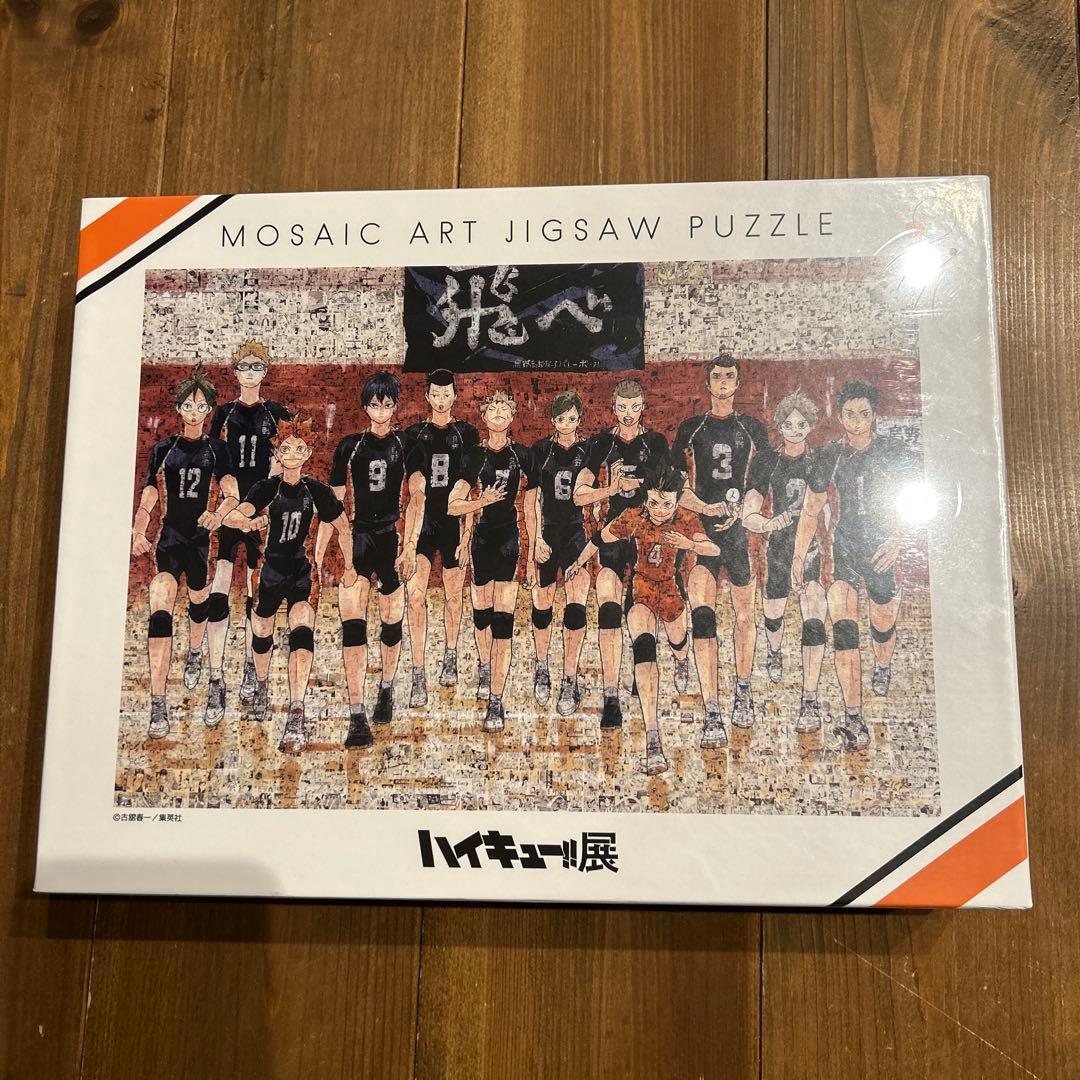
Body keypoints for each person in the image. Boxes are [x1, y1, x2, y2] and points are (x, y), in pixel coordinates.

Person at [792, 379, 918, 750]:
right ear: (840, 416)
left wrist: (898, 539)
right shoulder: (829, 455)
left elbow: (913, 503)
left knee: (882, 624)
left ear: (874, 415)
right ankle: (853, 717)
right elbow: (811, 510)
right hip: (844, 549)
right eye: (849, 414)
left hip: (881, 550)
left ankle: (883, 664)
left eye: (863, 413)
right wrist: (798, 554)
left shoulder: (894, 451)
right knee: (844, 626)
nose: (856, 420)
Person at [568, 462, 714, 775]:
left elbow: (712, 549)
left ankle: (682, 660)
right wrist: (577, 563)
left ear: (676, 501)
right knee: (644, 650)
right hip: (642, 592)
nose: (659, 510)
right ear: (646, 498)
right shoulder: (633, 516)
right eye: (654, 503)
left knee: (678, 642)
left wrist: (690, 544)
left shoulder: (686, 518)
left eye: (666, 504)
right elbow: (599, 538)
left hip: (671, 593)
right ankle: (653, 738)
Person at [223, 418, 354, 752]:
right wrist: (251, 521)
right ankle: (261, 683)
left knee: (301, 628)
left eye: (299, 448)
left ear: (308, 453)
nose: (292, 454)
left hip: (301, 572)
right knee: (262, 632)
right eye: (285, 448)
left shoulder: (317, 490)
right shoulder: (267, 488)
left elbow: (344, 527)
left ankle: (297, 711)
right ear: (277, 453)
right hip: (269, 570)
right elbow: (233, 516)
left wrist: (350, 565)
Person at [130, 366, 239, 739]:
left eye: (201, 405)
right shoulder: (164, 449)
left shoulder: (217, 450)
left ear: (209, 409)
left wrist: (218, 514)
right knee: (160, 601)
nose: (194, 411)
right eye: (188, 405)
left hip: (200, 542)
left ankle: (195, 651)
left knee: (198, 603)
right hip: (170, 539)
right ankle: (158, 700)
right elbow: (149, 496)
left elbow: (231, 493)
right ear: (179, 408)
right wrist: (138, 530)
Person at [672, 353, 769, 749]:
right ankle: (712, 709)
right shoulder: (691, 428)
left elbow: (760, 483)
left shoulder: (752, 428)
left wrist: (742, 511)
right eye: (717, 377)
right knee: (703, 617)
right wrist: (709, 509)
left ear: (738, 383)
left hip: (738, 534)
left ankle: (743, 689)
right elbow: (676, 488)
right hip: (702, 530)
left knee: (745, 615)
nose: (724, 382)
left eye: (730, 376)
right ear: (708, 383)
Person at [329, 371, 425, 748]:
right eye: (374, 404)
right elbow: (334, 506)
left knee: (390, 620)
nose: (381, 411)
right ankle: (356, 713)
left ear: (395, 406)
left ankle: (386, 687)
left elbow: (417, 497)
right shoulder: (350, 446)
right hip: (359, 537)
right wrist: (339, 556)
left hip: (390, 538)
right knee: (353, 623)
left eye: (387, 404)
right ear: (365, 407)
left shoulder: (407, 445)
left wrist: (410, 546)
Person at [573, 379, 669, 729]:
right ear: (613, 408)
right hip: (613, 532)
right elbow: (579, 495)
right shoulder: (601, 442)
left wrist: (641, 486)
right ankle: (610, 696)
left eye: (635, 407)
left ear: (643, 407)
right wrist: (611, 489)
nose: (629, 414)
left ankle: (642, 667)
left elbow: (671, 487)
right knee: (609, 608)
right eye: (622, 407)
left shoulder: (655, 442)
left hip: (646, 533)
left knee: (641, 607)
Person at [205, 340, 291, 722]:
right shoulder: (224, 414)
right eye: (245, 366)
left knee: (257, 595)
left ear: (265, 371)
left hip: (260, 512)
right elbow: (217, 465)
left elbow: (282, 464)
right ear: (236, 371)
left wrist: (260, 507)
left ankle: (251, 672)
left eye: (258, 366)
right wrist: (233, 509)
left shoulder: (277, 413)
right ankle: (216, 678)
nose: (251, 372)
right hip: (231, 510)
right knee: (220, 587)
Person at [447, 388, 536, 732]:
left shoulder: (522, 455)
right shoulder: (474, 456)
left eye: (504, 409)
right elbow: (453, 505)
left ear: (512, 416)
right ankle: (484, 665)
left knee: (503, 622)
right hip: (481, 541)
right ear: (484, 417)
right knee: (481, 617)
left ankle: (497, 699)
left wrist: (533, 550)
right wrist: (480, 503)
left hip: (508, 540)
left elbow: (533, 506)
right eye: (492, 409)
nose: (498, 414)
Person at [742, 390, 828, 731]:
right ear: (779, 426)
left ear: (810, 426)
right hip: (777, 547)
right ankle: (775, 652)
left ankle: (809, 697)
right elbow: (749, 510)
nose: (795, 430)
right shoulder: (767, 460)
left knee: (814, 611)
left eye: (801, 424)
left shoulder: (818, 461)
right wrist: (766, 523)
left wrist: (804, 553)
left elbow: (818, 509)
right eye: (789, 424)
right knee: (773, 613)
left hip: (809, 549)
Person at [404, 369, 480, 706]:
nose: (440, 400)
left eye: (446, 394)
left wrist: (466, 538)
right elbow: (415, 491)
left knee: (453, 596)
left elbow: (468, 489)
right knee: (415, 596)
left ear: (455, 396)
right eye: (435, 394)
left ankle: (450, 653)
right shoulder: (414, 434)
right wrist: (408, 543)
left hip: (453, 524)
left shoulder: (467, 433)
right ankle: (418, 671)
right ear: (427, 396)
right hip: (424, 524)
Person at [526, 391, 593, 716]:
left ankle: (569, 677)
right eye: (561, 419)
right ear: (553, 420)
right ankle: (542, 665)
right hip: (549, 533)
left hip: (575, 533)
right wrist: (536, 540)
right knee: (542, 605)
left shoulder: (588, 449)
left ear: (579, 419)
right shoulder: (540, 450)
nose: (566, 424)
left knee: (575, 606)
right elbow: (532, 501)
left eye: (572, 418)